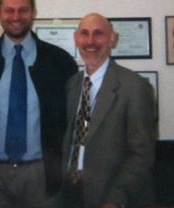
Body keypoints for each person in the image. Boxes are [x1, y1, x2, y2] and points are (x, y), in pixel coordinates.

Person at [0, 0, 78, 208]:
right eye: (9, 10)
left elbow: (72, 121)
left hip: (42, 174)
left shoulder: (60, 62)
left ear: (33, 12)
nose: (16, 16)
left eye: (23, 10)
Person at [63, 13, 156, 208]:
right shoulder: (72, 84)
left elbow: (142, 154)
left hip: (108, 195)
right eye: (84, 33)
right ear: (76, 39)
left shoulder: (134, 87)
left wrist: (115, 199)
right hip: (69, 193)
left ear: (112, 38)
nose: (90, 41)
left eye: (98, 34)